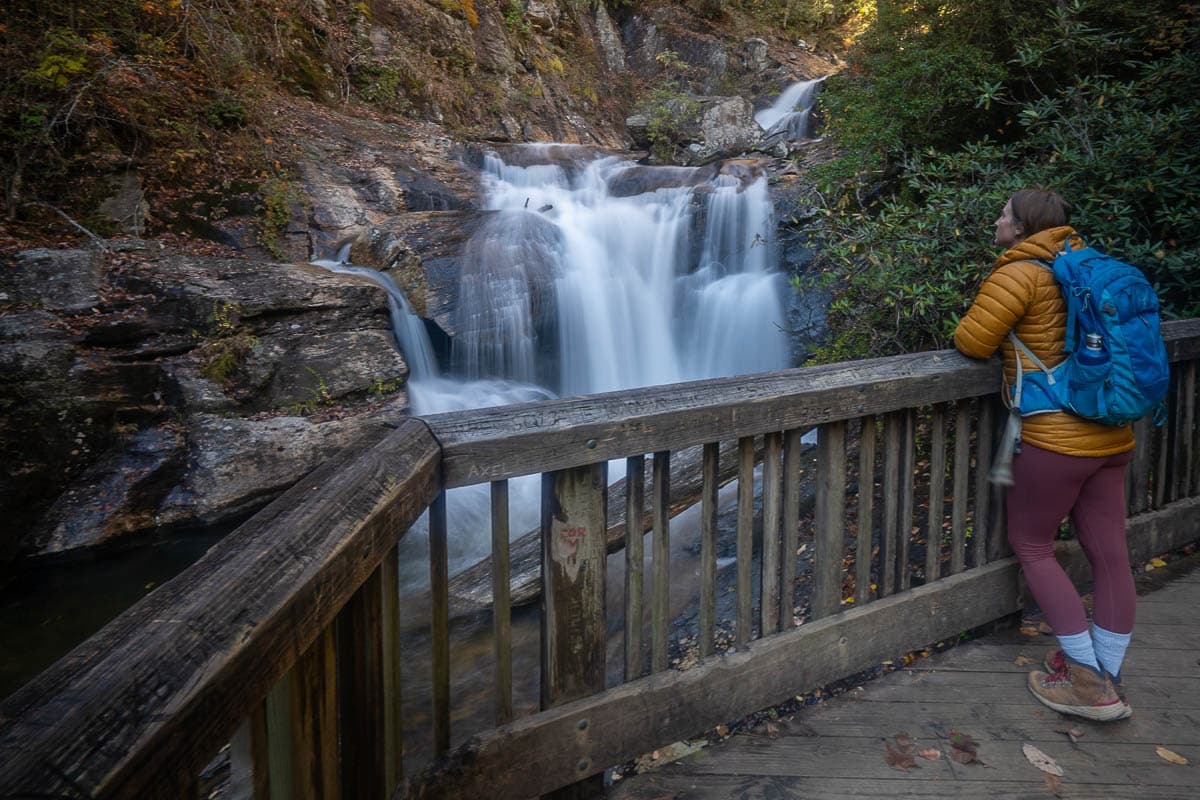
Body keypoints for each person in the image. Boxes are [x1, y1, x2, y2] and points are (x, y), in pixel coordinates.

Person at [954, 189, 1135, 722]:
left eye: (1005, 213)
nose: (997, 219)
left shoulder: (1020, 273)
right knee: (1110, 555)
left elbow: (971, 341)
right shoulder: (1088, 266)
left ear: (1023, 225)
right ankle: (1110, 675)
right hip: (1113, 434)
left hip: (1056, 437)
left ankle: (1085, 682)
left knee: (1032, 545)